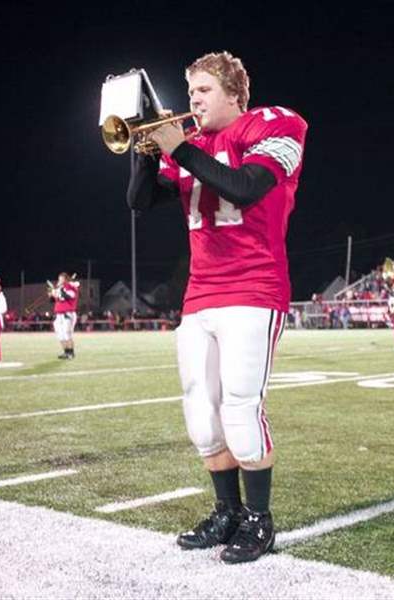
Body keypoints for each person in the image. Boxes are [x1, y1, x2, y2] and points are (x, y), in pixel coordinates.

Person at [128, 51, 307, 563]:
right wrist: (143, 154)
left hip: (253, 288)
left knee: (241, 406)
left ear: (234, 94)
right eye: (189, 94)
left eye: (203, 91)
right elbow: (140, 203)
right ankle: (226, 512)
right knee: (201, 413)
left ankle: (259, 520)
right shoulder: (192, 145)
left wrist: (177, 148)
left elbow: (245, 187)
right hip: (200, 293)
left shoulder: (274, 125)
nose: (193, 102)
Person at [49, 272, 80, 359]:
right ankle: (66, 352)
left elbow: (68, 296)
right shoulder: (61, 288)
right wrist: (52, 294)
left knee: (67, 334)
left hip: (68, 314)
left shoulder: (71, 287)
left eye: (61, 279)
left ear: (66, 279)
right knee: (60, 335)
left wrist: (60, 290)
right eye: (59, 279)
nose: (59, 280)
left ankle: (71, 353)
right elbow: (52, 300)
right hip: (58, 315)